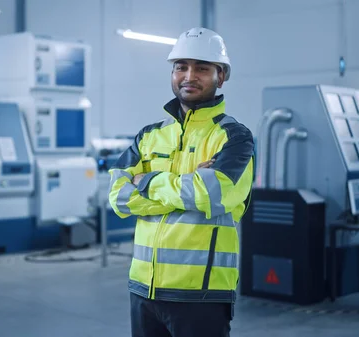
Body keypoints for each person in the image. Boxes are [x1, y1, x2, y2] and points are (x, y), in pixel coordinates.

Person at [108, 28, 254, 337]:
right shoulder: (149, 135)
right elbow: (119, 197)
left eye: (201, 67)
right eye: (181, 66)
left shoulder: (234, 138)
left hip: (201, 292)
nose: (189, 75)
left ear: (221, 75)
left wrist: (146, 179)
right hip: (143, 289)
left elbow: (209, 195)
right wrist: (184, 185)